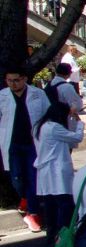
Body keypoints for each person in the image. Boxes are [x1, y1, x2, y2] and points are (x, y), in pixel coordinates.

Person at [2, 69, 51, 231]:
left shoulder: (38, 94)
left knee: (32, 177)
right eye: (9, 80)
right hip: (12, 145)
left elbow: (47, 114)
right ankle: (24, 198)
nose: (13, 84)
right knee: (16, 178)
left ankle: (34, 212)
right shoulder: (2, 96)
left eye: (16, 80)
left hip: (33, 143)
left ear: (24, 79)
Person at [34, 102, 83, 244]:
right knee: (65, 202)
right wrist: (79, 123)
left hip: (46, 169)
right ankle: (64, 233)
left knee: (50, 203)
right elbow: (76, 138)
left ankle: (52, 233)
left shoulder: (40, 126)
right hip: (57, 169)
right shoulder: (54, 127)